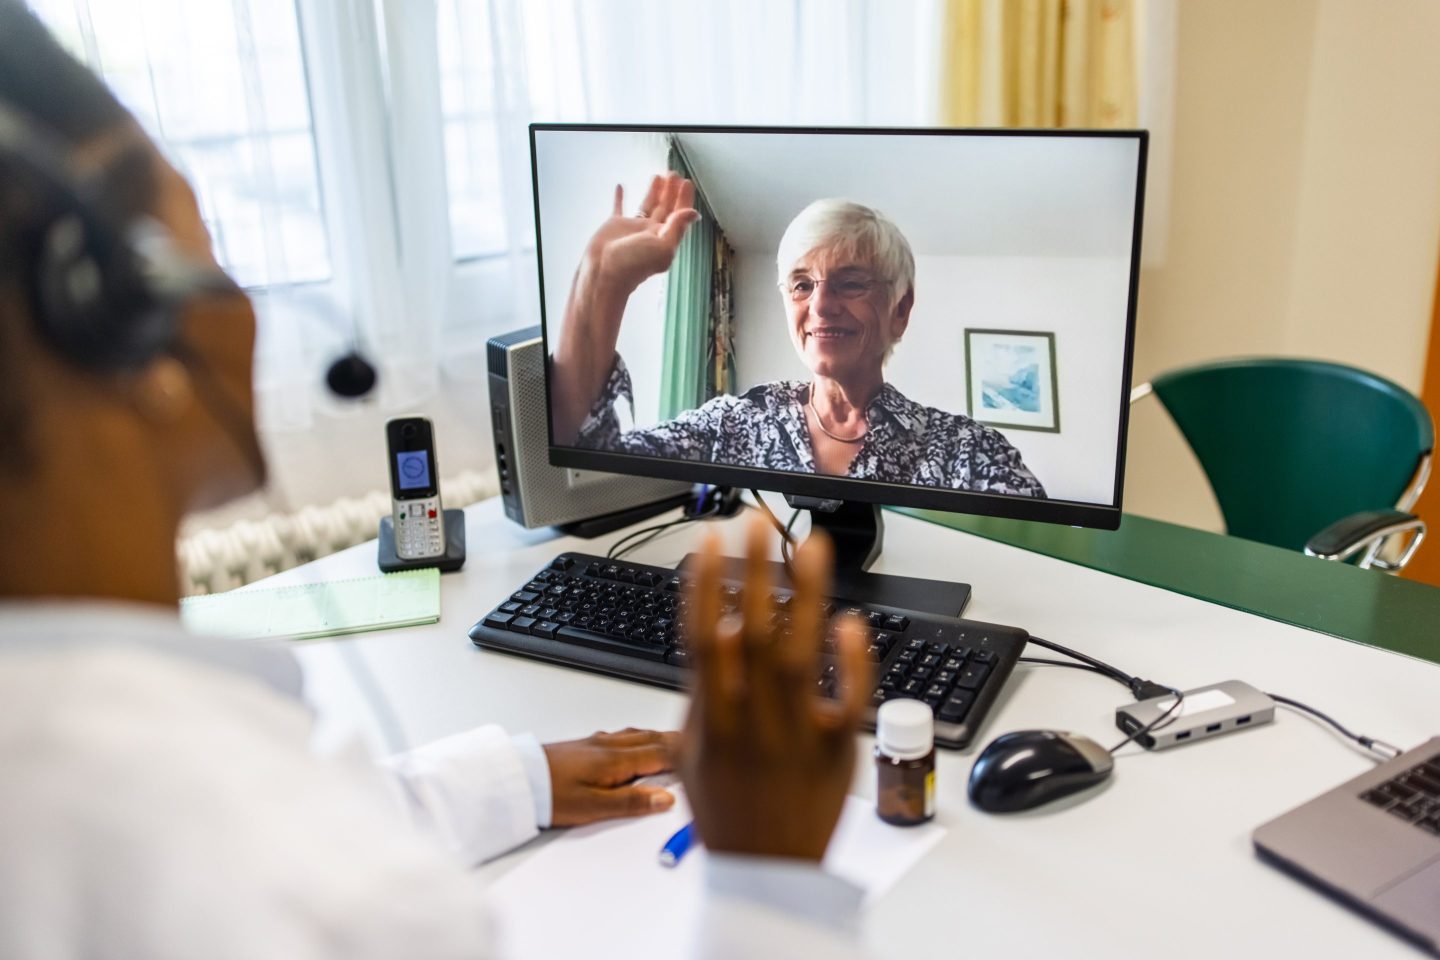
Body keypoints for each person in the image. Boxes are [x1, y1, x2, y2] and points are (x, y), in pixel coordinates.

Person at [0, 6, 870, 957]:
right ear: (116, 311)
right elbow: (593, 431)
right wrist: (770, 882)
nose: (236, 296)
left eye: (852, 285)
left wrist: (509, 782)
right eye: (200, 240)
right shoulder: (271, 880)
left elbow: (294, 828)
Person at [551, 172, 1046, 496]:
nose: (821, 305)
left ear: (901, 310)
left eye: (851, 282)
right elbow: (594, 474)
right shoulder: (734, 423)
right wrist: (602, 282)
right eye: (802, 284)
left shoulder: (969, 452)